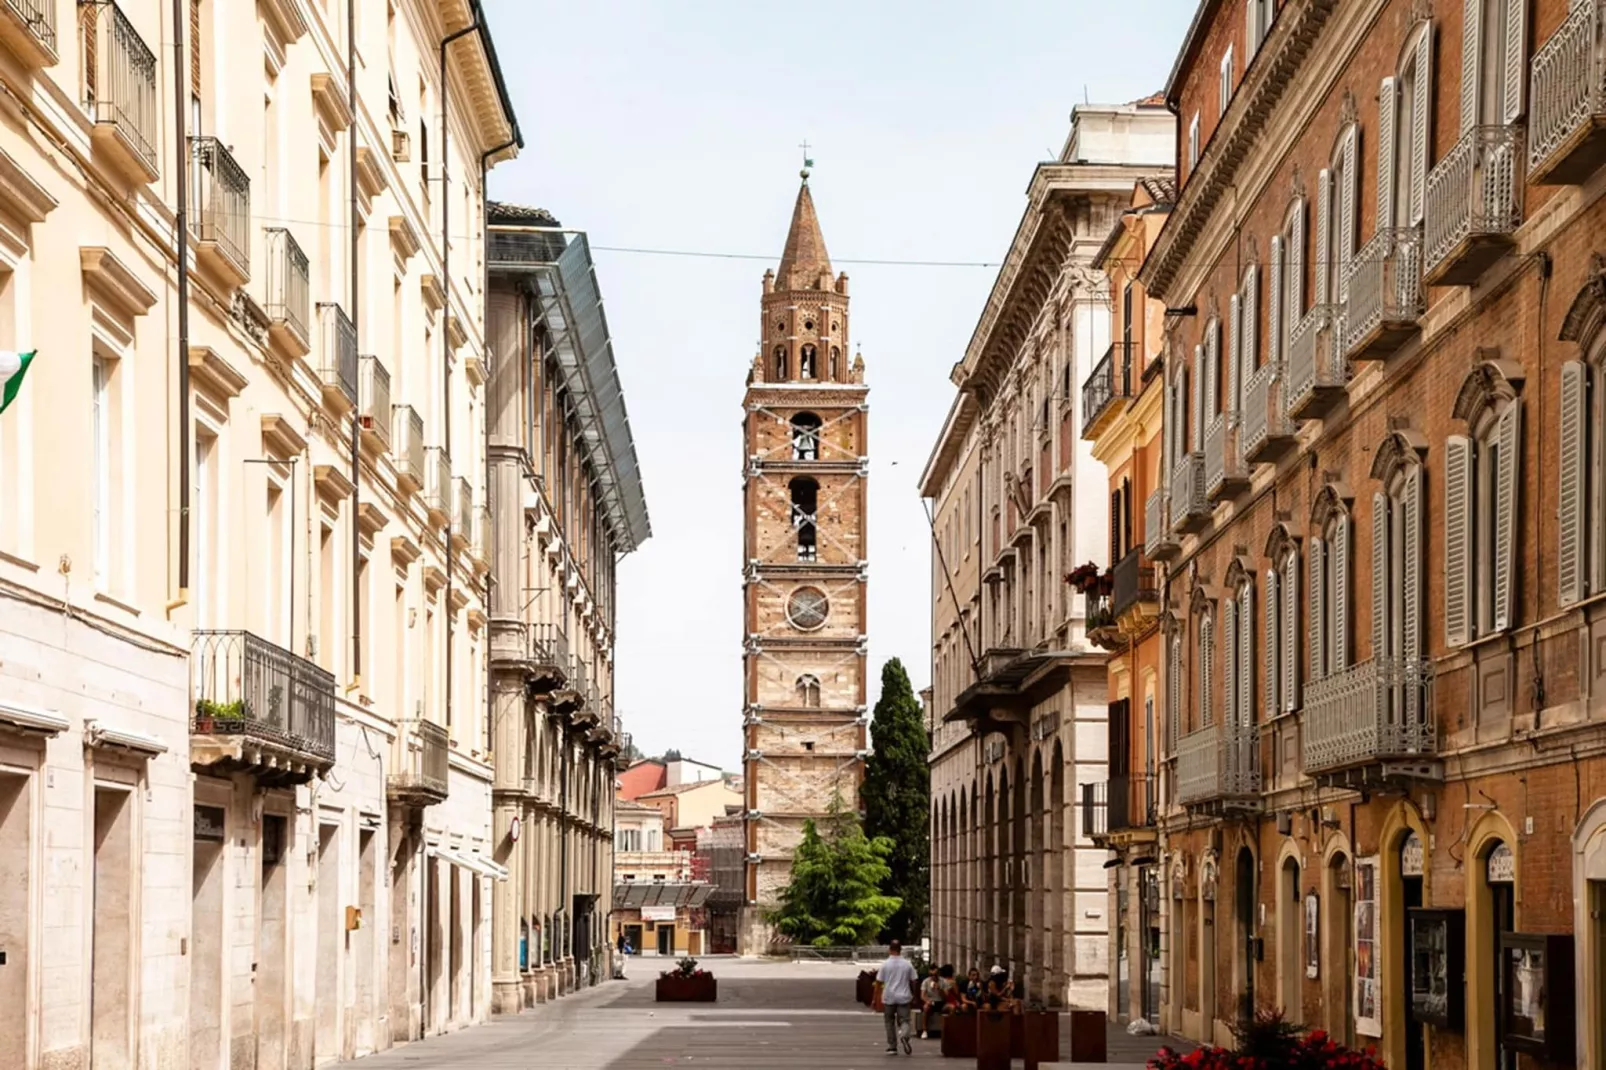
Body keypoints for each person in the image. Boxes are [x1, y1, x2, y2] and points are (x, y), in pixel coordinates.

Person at [876, 939, 919, 1056]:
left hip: (889, 996)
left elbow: (879, 982)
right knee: (905, 1020)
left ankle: (892, 1046)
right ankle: (904, 1035)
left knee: (889, 1022)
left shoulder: (885, 964)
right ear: (901, 950)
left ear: (889, 950)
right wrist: (915, 995)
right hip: (904, 996)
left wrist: (875, 998)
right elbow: (914, 980)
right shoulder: (907, 964)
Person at [918, 964, 942, 1039]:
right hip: (931, 1001)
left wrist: (939, 989)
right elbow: (922, 995)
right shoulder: (926, 982)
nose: (933, 977)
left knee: (951, 1008)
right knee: (926, 1007)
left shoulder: (942, 981)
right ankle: (924, 1030)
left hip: (941, 1001)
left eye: (935, 975)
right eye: (931, 975)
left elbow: (946, 996)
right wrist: (928, 1001)